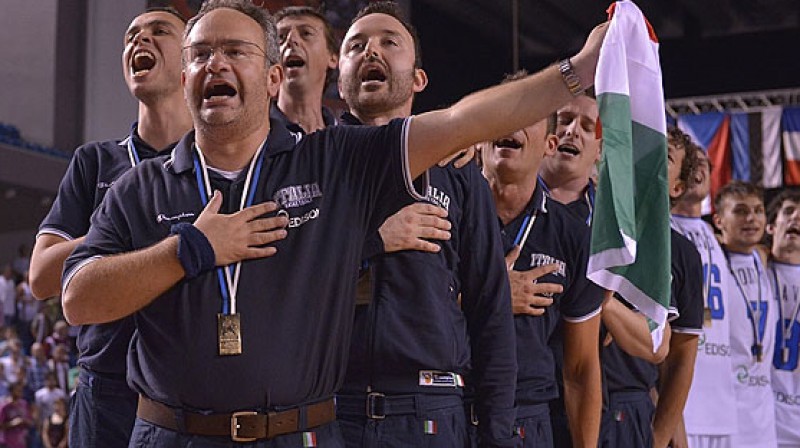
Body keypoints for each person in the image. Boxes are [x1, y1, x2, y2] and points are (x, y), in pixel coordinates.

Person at [61, 0, 608, 444]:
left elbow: (466, 121)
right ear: (184, 80)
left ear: (274, 76)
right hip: (171, 434)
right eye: (201, 54)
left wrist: (577, 72)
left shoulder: (333, 162)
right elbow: (78, 298)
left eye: (235, 51)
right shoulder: (139, 188)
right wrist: (190, 250)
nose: (216, 64)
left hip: (300, 432)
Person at [333, 3, 516, 447]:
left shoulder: (457, 169)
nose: (370, 51)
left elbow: (490, 305)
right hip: (333, 409)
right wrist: (373, 241)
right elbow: (285, 279)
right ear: (339, 80)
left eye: (388, 43)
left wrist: (497, 433)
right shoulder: (314, 166)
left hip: (431, 411)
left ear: (418, 79)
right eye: (355, 45)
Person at [27, 7, 191, 447]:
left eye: (160, 32)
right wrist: (116, 230)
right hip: (107, 392)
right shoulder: (94, 161)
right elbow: (42, 276)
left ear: (190, 59)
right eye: (132, 35)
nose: (140, 40)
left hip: (192, 392)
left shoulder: (216, 162)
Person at [481, 102, 604, 447]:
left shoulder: (575, 237)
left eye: (525, 118)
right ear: (479, 139)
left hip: (527, 418)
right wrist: (494, 295)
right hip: (446, 408)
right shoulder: (447, 213)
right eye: (502, 115)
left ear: (548, 145)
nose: (511, 125)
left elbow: (581, 369)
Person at [671, 143, 738, 447]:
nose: (698, 169)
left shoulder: (715, 236)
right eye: (691, 163)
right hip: (684, 402)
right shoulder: (663, 228)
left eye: (704, 164)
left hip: (723, 404)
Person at [713, 181, 778, 447]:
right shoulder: (713, 259)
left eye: (758, 210)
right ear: (719, 220)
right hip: (724, 415)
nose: (751, 218)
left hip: (763, 420)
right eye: (740, 211)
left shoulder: (762, 258)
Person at [765, 190, 800, 448]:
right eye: (788, 212)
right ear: (771, 226)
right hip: (761, 421)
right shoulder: (750, 268)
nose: (796, 218)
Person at [273, 5, 339, 133]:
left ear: (332, 58)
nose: (291, 39)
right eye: (281, 37)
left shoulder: (346, 142)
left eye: (306, 33)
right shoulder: (252, 138)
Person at [0, 381, 33, 448]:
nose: (20, 392)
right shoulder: (5, 406)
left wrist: (25, 421)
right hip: (7, 443)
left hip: (22, 442)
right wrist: (13, 423)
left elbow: (30, 422)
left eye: (21, 390)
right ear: (11, 391)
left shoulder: (24, 404)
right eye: (17, 390)